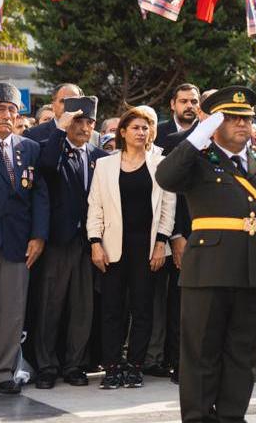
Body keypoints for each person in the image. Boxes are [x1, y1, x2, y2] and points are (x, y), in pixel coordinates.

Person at [155, 86, 256, 423]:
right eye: (231, 118)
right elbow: (165, 176)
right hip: (209, 272)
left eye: (245, 118)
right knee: (201, 354)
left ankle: (232, 416)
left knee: (243, 355)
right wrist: (196, 136)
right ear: (214, 123)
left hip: (253, 273)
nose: (242, 124)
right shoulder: (197, 159)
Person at [87, 106, 175, 389]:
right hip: (112, 247)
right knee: (112, 309)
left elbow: (168, 210)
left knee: (143, 309)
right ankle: (112, 367)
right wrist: (95, 243)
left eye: (146, 127)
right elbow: (95, 207)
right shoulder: (105, 165)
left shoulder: (161, 164)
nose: (142, 132)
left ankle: (135, 366)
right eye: (136, 127)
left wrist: (162, 243)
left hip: (147, 248)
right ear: (122, 132)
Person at [0, 84, 46, 396]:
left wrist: (39, 235)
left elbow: (40, 196)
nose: (8, 115)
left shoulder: (28, 147)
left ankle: (2, 373)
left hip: (18, 242)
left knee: (12, 312)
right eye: (1, 109)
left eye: (13, 110)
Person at [33, 96, 104, 389]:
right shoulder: (52, 150)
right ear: (67, 122)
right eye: (78, 121)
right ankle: (47, 366)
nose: (84, 127)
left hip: (88, 242)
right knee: (50, 306)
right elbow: (46, 169)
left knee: (82, 307)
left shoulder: (100, 157)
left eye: (89, 122)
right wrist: (59, 130)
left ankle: (75, 364)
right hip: (58, 240)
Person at [155, 83, 200, 148]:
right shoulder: (157, 132)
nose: (189, 106)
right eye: (183, 101)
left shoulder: (209, 132)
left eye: (194, 102)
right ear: (173, 104)